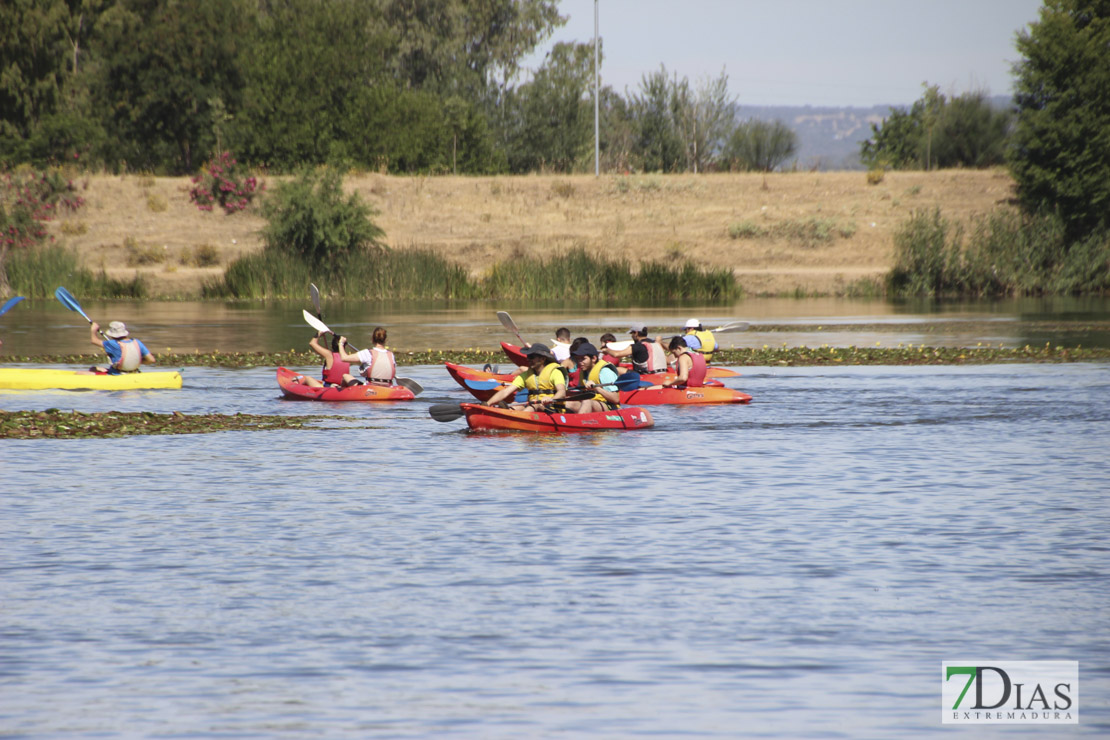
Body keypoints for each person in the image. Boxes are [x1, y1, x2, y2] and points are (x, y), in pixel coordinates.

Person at [483, 343, 567, 412]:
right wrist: (488, 403)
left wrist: (551, 399)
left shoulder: (555, 372)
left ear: (542, 359)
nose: (528, 359)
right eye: (528, 357)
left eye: (531, 357)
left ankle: (518, 419)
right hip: (533, 407)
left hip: (552, 408)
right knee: (517, 406)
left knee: (535, 405)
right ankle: (506, 414)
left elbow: (562, 391)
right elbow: (506, 392)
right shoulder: (526, 375)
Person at [566, 342, 620, 413]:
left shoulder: (605, 371)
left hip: (609, 407)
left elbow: (615, 399)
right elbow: (582, 393)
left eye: (583, 359)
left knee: (587, 401)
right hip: (591, 403)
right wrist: (566, 393)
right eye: (578, 359)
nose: (580, 362)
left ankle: (580, 422)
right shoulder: (583, 372)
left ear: (594, 358)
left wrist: (597, 388)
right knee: (567, 403)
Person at [89, 321, 156, 374]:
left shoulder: (112, 343)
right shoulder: (137, 342)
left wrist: (93, 330)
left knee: (84, 372)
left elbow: (94, 341)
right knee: (94, 369)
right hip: (134, 372)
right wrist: (134, 361)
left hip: (117, 374)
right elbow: (151, 360)